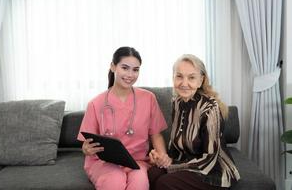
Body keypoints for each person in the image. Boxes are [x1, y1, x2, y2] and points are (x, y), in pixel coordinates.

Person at [77, 46, 169, 190]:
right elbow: (86, 144)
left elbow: (156, 135)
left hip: (137, 161)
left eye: (135, 70)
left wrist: (162, 155)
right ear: (113, 67)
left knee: (140, 183)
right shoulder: (96, 104)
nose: (130, 74)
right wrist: (86, 149)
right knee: (114, 180)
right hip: (103, 163)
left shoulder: (148, 98)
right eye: (125, 68)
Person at [148, 54, 240, 190]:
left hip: (212, 172)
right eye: (179, 76)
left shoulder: (210, 108)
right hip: (187, 164)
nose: (184, 83)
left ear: (200, 80)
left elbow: (209, 159)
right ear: (173, 77)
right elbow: (176, 145)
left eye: (191, 77)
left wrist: (172, 167)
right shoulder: (177, 103)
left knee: (164, 183)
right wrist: (163, 158)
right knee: (152, 174)